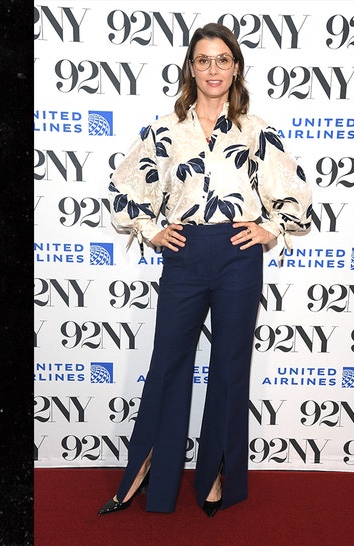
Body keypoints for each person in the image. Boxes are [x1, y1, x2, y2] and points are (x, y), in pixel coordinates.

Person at [99, 22, 312, 518]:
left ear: (235, 68)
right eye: (203, 60)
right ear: (190, 69)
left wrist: (270, 227)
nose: (213, 69)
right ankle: (145, 468)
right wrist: (150, 228)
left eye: (222, 59)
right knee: (168, 363)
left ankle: (215, 471)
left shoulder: (256, 130)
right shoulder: (165, 130)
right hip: (186, 254)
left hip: (238, 255)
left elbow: (296, 194)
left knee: (230, 367)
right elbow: (123, 189)